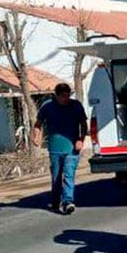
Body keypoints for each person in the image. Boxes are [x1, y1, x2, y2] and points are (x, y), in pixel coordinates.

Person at [33, 83, 87, 215]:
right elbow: (38, 124)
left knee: (69, 174)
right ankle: (56, 202)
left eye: (68, 95)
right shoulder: (47, 107)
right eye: (63, 96)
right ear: (56, 95)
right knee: (56, 177)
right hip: (55, 148)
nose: (66, 99)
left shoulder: (76, 106)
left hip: (72, 148)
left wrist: (81, 139)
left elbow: (83, 124)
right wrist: (36, 137)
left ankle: (68, 201)